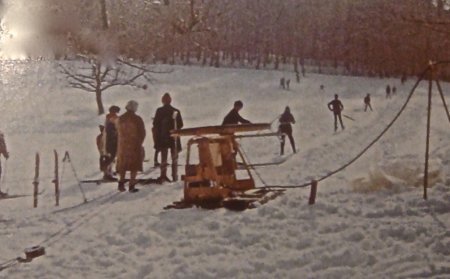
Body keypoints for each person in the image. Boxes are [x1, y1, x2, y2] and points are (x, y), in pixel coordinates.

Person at [153, 93, 183, 183]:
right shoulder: (175, 111)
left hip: (163, 138)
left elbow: (155, 124)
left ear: (163, 101)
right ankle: (174, 175)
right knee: (174, 158)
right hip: (173, 137)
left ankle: (163, 175)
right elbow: (180, 124)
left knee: (164, 158)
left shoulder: (160, 111)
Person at [116, 100, 146, 192]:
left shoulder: (120, 118)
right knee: (134, 165)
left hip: (123, 145)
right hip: (134, 144)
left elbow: (117, 131)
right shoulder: (137, 119)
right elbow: (142, 132)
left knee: (123, 164)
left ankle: (121, 183)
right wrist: (139, 142)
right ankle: (131, 184)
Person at [102, 105, 120, 180]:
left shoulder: (108, 117)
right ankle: (107, 173)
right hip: (111, 140)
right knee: (111, 157)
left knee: (110, 157)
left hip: (108, 139)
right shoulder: (112, 118)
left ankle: (108, 172)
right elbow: (116, 129)